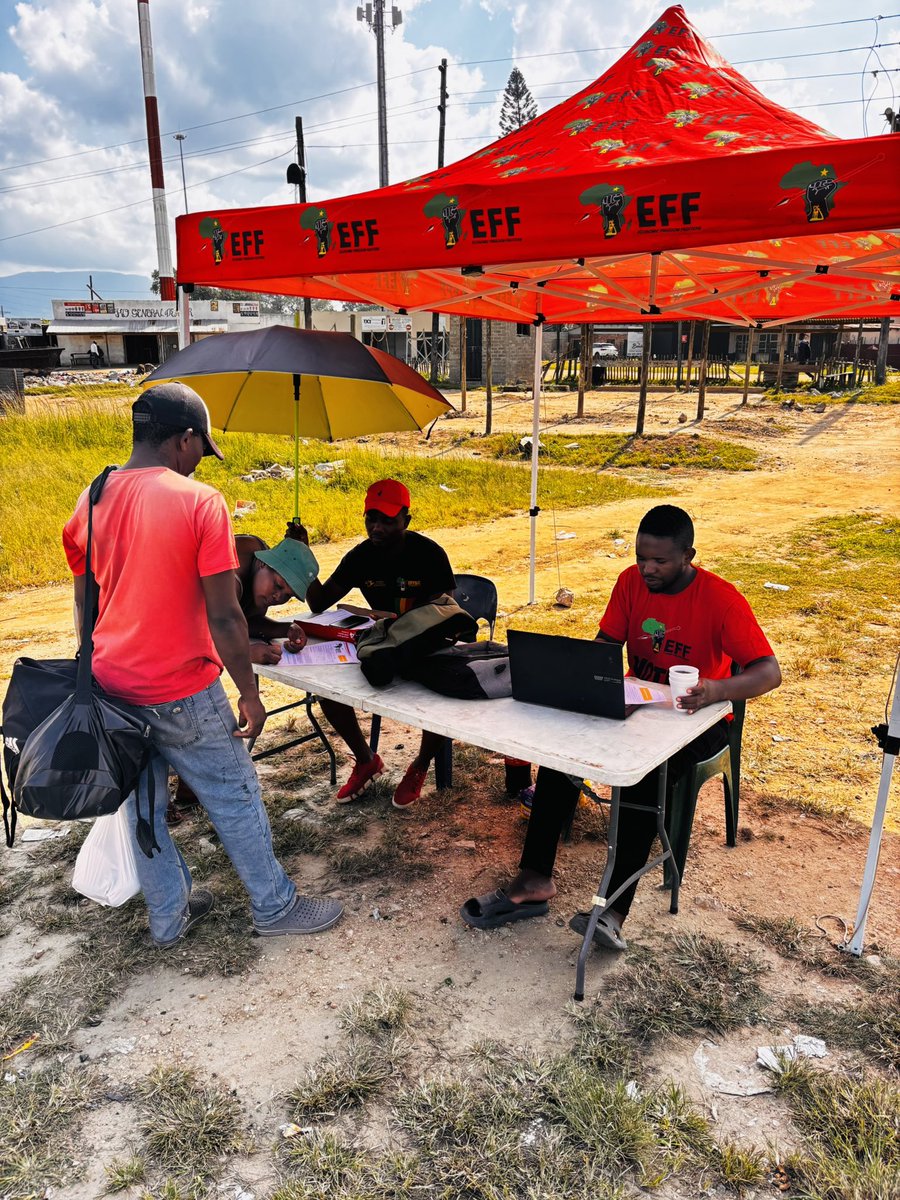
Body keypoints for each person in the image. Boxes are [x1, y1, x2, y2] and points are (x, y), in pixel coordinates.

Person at [62, 382, 343, 947]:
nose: (199, 462)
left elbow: (84, 604)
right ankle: (274, 906)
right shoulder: (199, 501)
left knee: (145, 809)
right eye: (201, 450)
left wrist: (93, 674)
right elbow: (224, 615)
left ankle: (168, 918)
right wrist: (249, 692)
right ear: (185, 439)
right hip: (182, 687)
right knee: (234, 794)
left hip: (112, 686)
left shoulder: (91, 498)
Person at [460, 504, 781, 950]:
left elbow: (769, 672)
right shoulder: (631, 583)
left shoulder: (721, 600)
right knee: (561, 749)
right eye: (641, 558)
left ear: (688, 556)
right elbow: (607, 644)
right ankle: (534, 879)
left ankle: (612, 910)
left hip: (698, 719)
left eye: (660, 561)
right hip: (637, 702)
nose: (647, 569)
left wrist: (715, 689)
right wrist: (583, 675)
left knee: (642, 775)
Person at [289, 479, 456, 809]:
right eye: (371, 518)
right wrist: (301, 555)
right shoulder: (361, 556)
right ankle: (366, 759)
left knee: (441, 695)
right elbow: (319, 601)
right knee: (327, 687)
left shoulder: (429, 554)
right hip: (382, 645)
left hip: (426, 643)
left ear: (406, 520)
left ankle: (420, 764)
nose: (377, 527)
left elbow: (447, 612)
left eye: (387, 520)